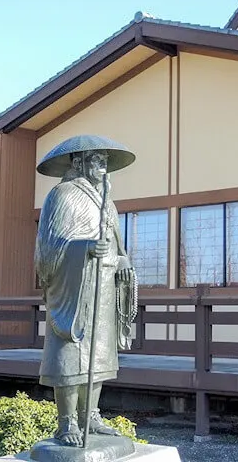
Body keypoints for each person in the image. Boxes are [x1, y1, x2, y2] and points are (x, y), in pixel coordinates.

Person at [34, 135, 137, 447]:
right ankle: (66, 421)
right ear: (77, 162)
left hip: (103, 287)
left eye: (105, 160)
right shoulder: (62, 195)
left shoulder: (108, 202)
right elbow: (49, 249)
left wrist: (121, 261)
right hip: (74, 289)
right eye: (96, 159)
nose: (102, 165)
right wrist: (86, 247)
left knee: (100, 351)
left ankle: (90, 414)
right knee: (70, 350)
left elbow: (116, 246)